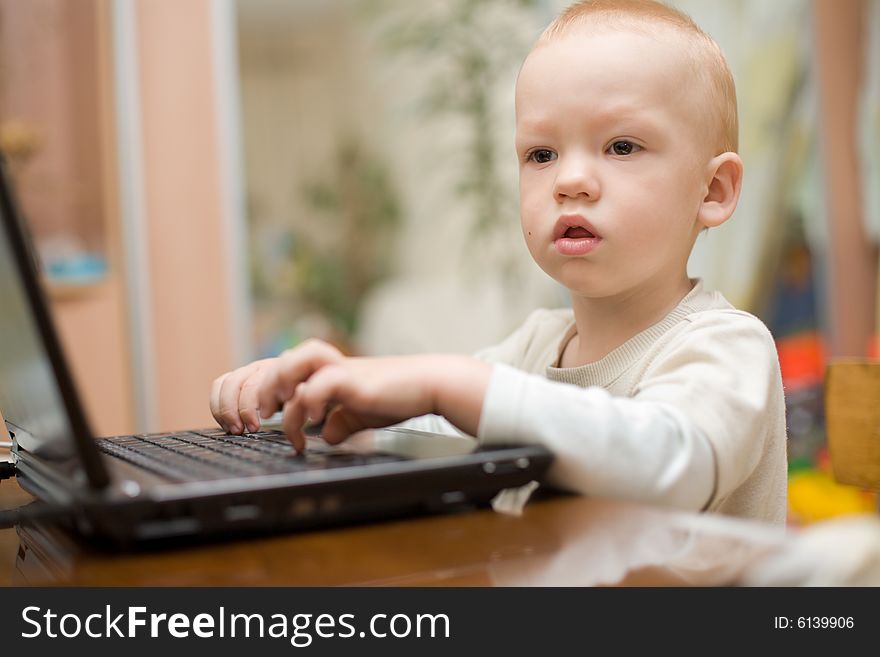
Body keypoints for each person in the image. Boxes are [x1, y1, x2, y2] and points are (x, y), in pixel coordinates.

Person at [210, 0, 788, 524]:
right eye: (541, 153)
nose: (571, 180)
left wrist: (450, 382)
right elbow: (430, 434)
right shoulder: (536, 345)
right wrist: (326, 400)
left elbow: (667, 465)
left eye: (621, 146)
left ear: (712, 191)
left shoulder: (727, 347)